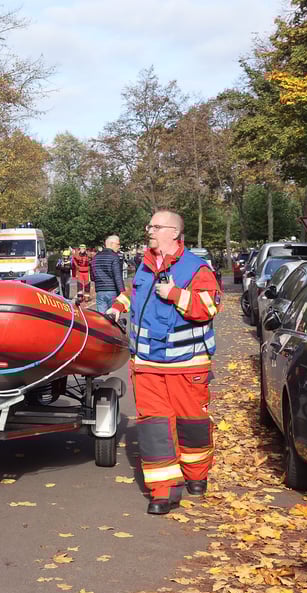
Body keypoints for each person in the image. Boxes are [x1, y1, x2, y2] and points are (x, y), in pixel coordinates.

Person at [105, 210, 220, 516]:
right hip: (147, 365)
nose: (149, 231)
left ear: (173, 232)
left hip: (188, 365)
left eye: (155, 227)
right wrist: (119, 305)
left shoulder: (197, 268)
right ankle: (163, 491)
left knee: (191, 422)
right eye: (150, 226)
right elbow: (136, 295)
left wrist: (176, 295)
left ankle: (197, 475)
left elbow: (209, 306)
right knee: (155, 426)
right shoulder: (144, 264)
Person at [90, 235, 124, 313]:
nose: (119, 247)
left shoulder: (96, 257)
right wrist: (122, 292)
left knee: (102, 318)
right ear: (112, 244)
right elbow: (117, 276)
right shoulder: (114, 257)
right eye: (118, 244)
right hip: (112, 291)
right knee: (113, 317)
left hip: (100, 291)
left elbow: (92, 276)